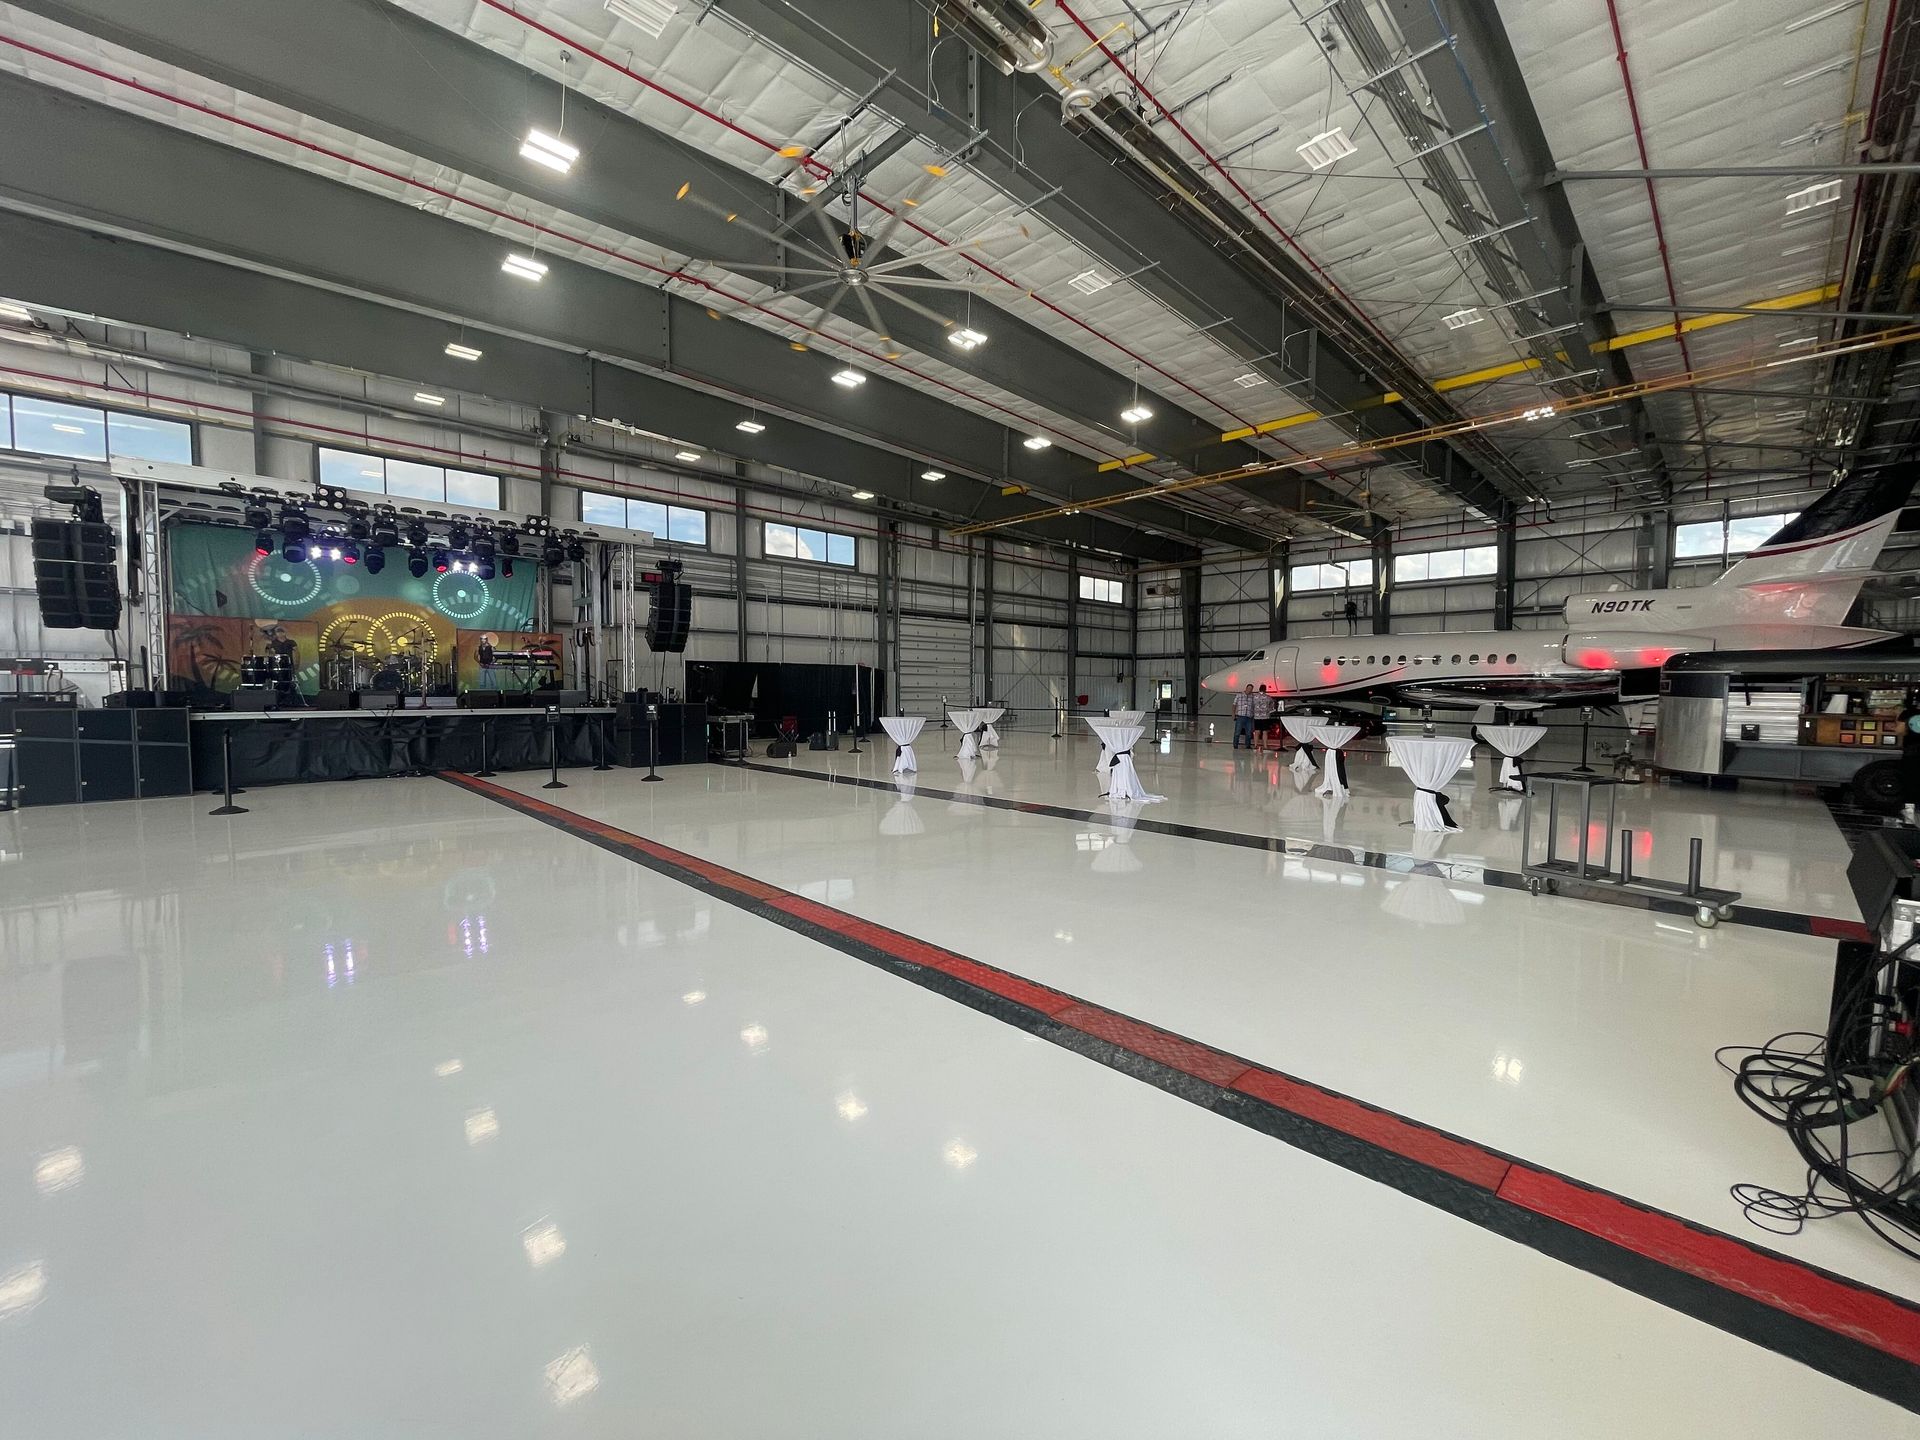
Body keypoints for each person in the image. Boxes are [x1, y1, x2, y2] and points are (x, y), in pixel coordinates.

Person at [1251, 685, 1275, 751]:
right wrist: (1268, 710)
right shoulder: (1268, 697)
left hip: (1257, 716)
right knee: (1265, 732)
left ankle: (1255, 745)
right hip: (1265, 717)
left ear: (1259, 689)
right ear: (1265, 689)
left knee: (1257, 731)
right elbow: (1272, 705)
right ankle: (1265, 746)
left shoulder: (1254, 697)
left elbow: (1252, 706)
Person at [1232, 684, 1256, 748]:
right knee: (1237, 732)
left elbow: (1254, 707)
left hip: (1249, 717)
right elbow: (1234, 704)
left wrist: (1253, 716)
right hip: (1240, 716)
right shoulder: (1239, 695)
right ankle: (1235, 745)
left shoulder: (1253, 697)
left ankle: (1248, 746)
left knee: (1248, 733)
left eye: (1251, 689)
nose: (1249, 690)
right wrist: (1233, 714)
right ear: (1246, 688)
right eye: (1248, 688)